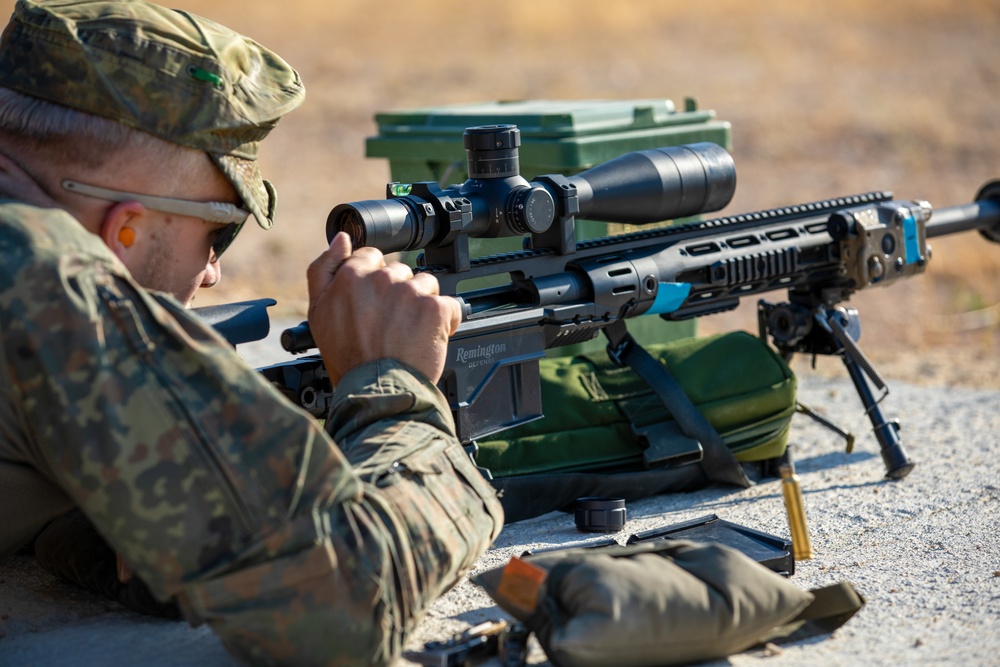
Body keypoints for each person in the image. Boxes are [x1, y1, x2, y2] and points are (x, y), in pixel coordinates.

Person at [0, 0, 503, 664]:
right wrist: (397, 389)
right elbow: (341, 609)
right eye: (219, 228)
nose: (212, 272)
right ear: (125, 229)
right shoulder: (48, 281)